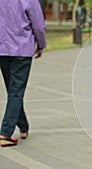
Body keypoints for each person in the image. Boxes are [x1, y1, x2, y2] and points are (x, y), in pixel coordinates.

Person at [0, 0, 47, 147]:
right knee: (16, 92)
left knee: (13, 91)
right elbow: (39, 26)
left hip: (2, 50)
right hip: (21, 50)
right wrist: (41, 45)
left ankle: (23, 126)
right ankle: (5, 133)